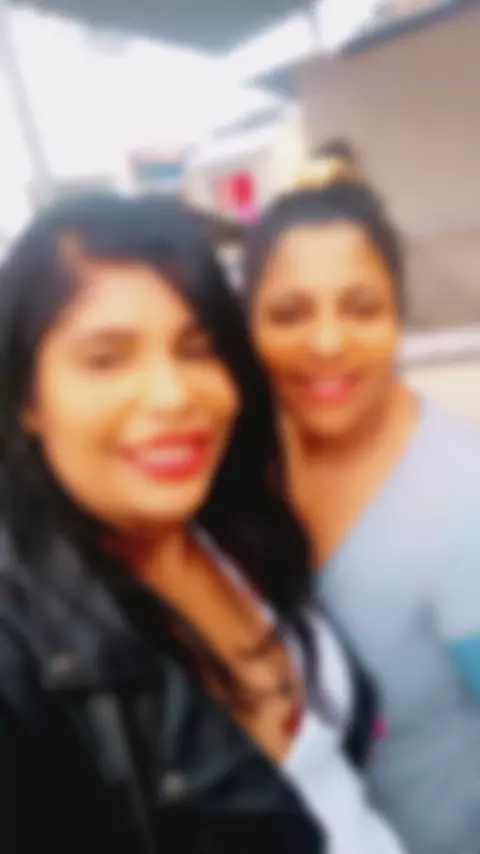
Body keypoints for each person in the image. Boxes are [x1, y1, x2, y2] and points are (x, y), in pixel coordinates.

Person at [0, 193, 405, 854]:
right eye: (106, 359)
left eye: (197, 349)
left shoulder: (237, 529)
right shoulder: (24, 666)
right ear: (28, 399)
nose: (173, 395)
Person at [246, 158, 480, 854]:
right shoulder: (239, 471)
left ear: (399, 317)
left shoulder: (461, 498)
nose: (326, 343)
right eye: (289, 314)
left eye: (361, 308)